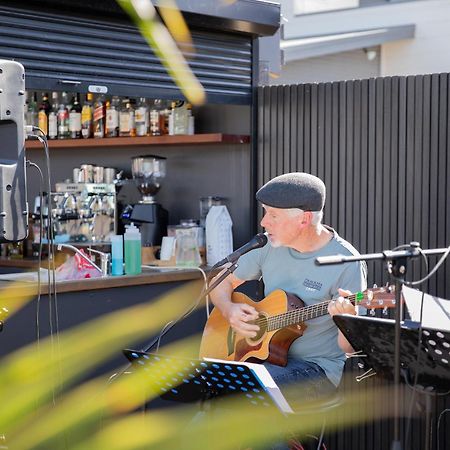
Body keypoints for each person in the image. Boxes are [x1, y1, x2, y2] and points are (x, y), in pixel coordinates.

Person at [209, 172, 367, 409]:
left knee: (249, 398)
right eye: (265, 212)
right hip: (263, 359)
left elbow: (352, 349)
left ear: (303, 220)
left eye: (272, 215)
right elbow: (219, 280)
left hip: (315, 370)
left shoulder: (347, 262)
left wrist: (346, 320)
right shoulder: (269, 245)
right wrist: (228, 308)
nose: (263, 222)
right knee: (214, 388)